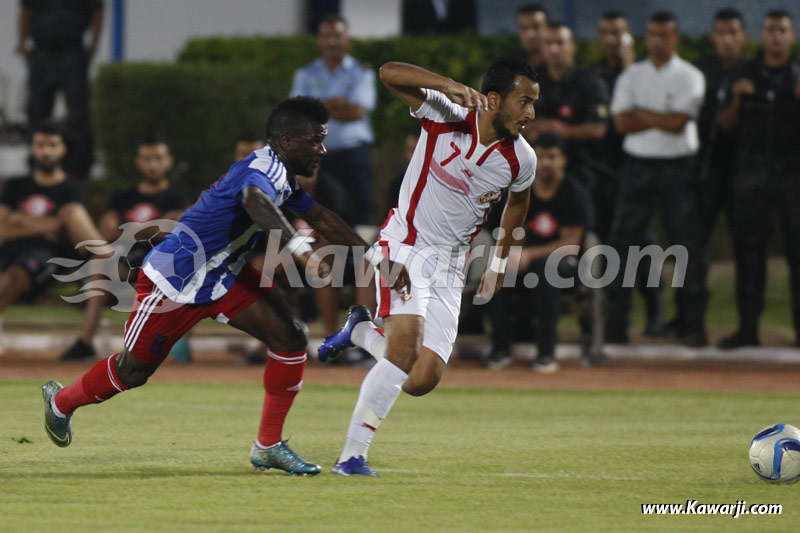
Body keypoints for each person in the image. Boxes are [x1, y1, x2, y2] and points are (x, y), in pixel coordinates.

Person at [40, 96, 410, 476]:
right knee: (133, 371)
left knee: (291, 338)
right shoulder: (259, 172)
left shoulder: (282, 175)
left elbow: (321, 217)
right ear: (286, 142)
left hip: (223, 274)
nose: (323, 148)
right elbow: (255, 201)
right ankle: (61, 402)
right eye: (315, 140)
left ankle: (267, 445)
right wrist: (300, 250)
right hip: (176, 279)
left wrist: (377, 259)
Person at [317, 55, 539, 476]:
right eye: (523, 101)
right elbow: (387, 73)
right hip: (405, 244)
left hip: (452, 267)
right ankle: (351, 456)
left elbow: (519, 204)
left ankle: (361, 331)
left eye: (533, 103)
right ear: (494, 99)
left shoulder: (521, 159)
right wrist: (449, 84)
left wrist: (499, 261)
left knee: (421, 379)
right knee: (403, 352)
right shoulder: (447, 113)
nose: (530, 112)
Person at [606, 11, 707, 347]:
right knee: (622, 247)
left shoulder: (690, 76)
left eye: (663, 35)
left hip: (678, 168)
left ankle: (692, 326)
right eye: (651, 34)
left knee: (687, 247)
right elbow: (621, 123)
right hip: (637, 167)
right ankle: (616, 327)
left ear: (675, 37)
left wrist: (641, 113)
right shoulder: (632, 75)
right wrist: (661, 117)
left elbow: (679, 123)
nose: (656, 41)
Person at [60, 134, 192, 362]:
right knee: (98, 262)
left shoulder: (177, 197)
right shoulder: (123, 196)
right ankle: (85, 343)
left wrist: (129, 229)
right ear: (138, 163)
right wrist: (154, 227)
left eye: (158, 158)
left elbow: (175, 229)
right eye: (147, 159)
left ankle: (171, 344)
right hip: (124, 265)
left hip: (161, 266)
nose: (153, 165)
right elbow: (106, 231)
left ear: (168, 161)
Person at [716, 10, 800, 348]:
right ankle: (748, 329)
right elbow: (723, 125)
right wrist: (737, 98)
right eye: (770, 30)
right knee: (749, 254)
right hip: (752, 173)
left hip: (794, 175)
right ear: (761, 36)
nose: (776, 36)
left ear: (791, 35)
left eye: (782, 30)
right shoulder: (743, 74)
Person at [588, 10, 665, 337]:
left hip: (636, 173)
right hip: (600, 175)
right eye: (606, 33)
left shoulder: (646, 76)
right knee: (604, 249)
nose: (612, 41)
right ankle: (610, 321)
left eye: (618, 34)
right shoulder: (591, 77)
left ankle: (655, 314)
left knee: (643, 247)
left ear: (629, 37)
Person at [486, 134, 590, 373]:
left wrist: (530, 254)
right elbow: (506, 230)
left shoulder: (574, 192)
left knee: (546, 269)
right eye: (540, 157)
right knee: (498, 271)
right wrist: (512, 253)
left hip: (565, 264)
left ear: (563, 160)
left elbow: (571, 243)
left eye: (552, 157)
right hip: (523, 261)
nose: (545, 163)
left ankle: (546, 353)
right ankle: (500, 350)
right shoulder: (519, 191)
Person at [0, 121, 106, 342]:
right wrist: (46, 224)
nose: (46, 151)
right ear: (32, 147)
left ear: (62, 149)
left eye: (52, 145)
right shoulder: (16, 185)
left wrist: (19, 220)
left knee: (13, 276)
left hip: (47, 257)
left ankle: (110, 258)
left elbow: (65, 226)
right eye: (40, 144)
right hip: (9, 252)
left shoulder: (71, 188)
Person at [681, 8, 748, 343]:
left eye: (733, 33)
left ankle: (748, 328)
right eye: (721, 33)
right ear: (713, 36)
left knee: (748, 251)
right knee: (693, 248)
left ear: (743, 37)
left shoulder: (752, 72)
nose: (727, 39)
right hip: (704, 172)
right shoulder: (700, 72)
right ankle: (692, 324)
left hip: (743, 174)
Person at [289, 14, 376, 227]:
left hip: (353, 156)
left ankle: (359, 261)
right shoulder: (305, 73)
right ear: (319, 40)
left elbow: (357, 112)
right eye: (326, 36)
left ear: (347, 39)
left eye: (337, 35)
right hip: (317, 159)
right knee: (319, 216)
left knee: (359, 213)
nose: (332, 41)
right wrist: (338, 102)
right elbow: (297, 113)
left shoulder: (361, 73)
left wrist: (316, 106)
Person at [17, 0, 103, 180]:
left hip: (72, 49)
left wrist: (93, 45)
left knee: (78, 116)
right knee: (37, 112)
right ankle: (37, 168)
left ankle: (78, 171)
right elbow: (26, 10)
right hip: (42, 49)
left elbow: (97, 13)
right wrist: (22, 42)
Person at [524, 21, 608, 187]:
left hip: (581, 169)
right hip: (535, 171)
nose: (554, 49)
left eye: (560, 43)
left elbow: (598, 129)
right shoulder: (529, 82)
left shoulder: (591, 83)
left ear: (573, 47)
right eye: (548, 43)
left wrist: (558, 129)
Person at [517, 3, 549, 70]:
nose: (530, 34)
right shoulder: (511, 67)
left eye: (536, 27)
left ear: (548, 28)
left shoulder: (559, 69)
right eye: (524, 28)